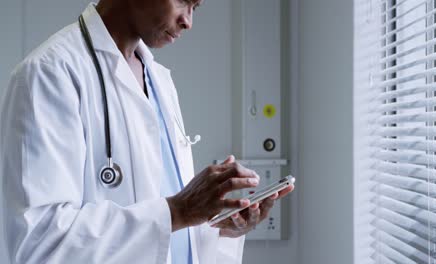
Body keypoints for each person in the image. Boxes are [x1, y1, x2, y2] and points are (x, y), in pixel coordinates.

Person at [0, 0, 294, 263]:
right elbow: (38, 245)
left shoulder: (159, 81)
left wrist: (221, 225)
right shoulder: (49, 74)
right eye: (182, 2)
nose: (188, 21)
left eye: (195, 7)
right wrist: (179, 211)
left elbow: (168, 228)